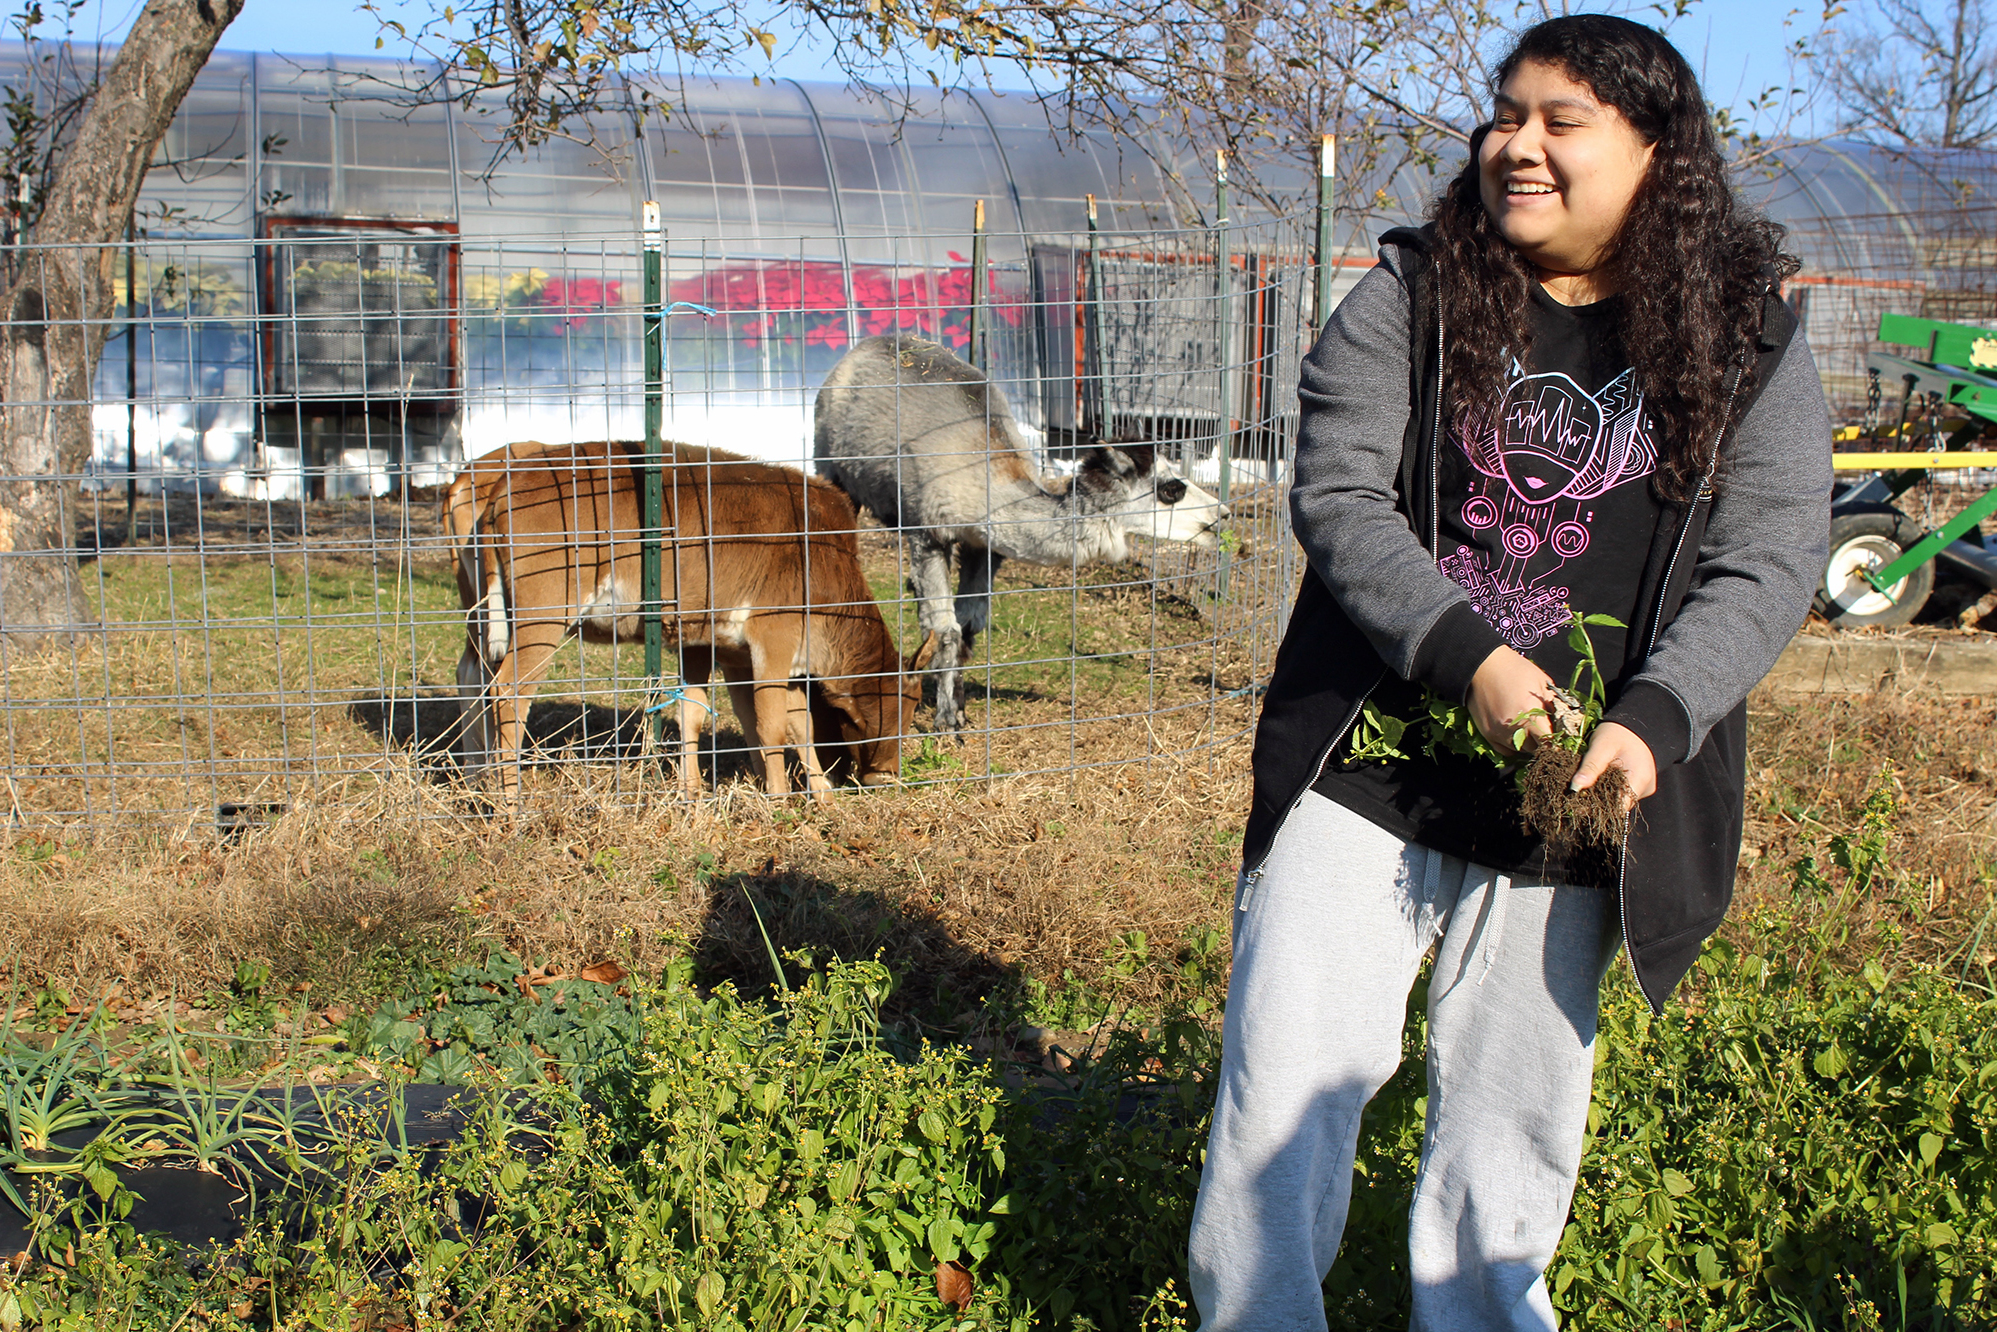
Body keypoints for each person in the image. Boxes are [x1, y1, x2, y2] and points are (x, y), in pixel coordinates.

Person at [1186, 14, 1832, 1330]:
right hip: (1370, 758)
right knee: (1283, 1080)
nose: (1513, 146)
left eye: (1558, 122)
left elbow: (1766, 562)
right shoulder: (1415, 295)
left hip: (1581, 785)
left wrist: (1652, 720)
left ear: (1656, 152)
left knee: (1508, 1117)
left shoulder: (1747, 340)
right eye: (1504, 114)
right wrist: (1468, 661)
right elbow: (1340, 497)